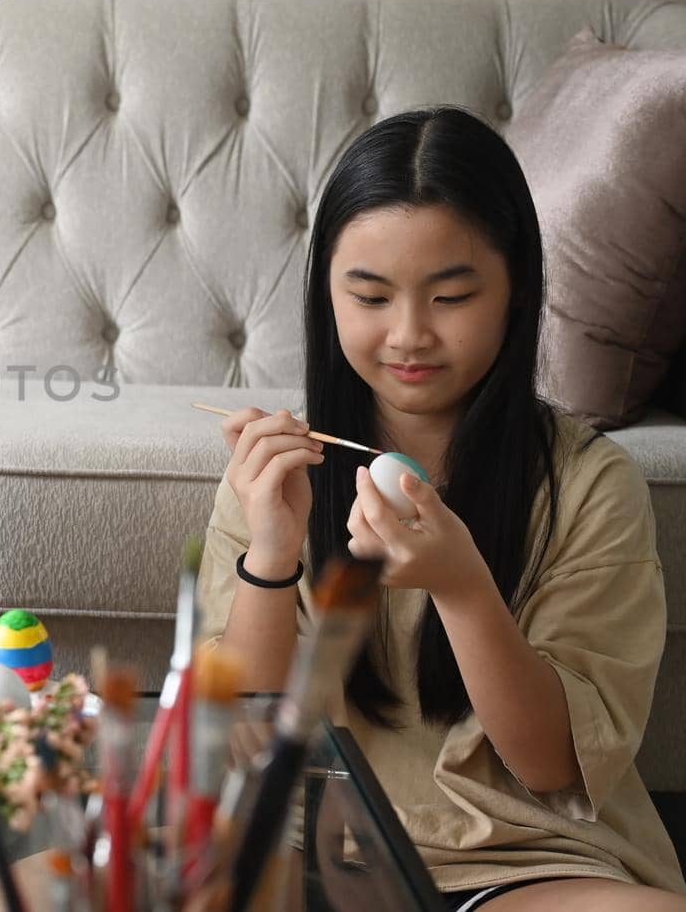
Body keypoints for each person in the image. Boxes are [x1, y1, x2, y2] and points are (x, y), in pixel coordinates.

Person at [200, 108, 685, 909]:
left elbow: (551, 766)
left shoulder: (591, 484)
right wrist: (272, 552)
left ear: (515, 291)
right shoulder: (279, 472)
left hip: (513, 859)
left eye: (451, 295)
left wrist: (463, 588)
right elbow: (240, 745)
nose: (408, 334)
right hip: (297, 846)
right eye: (370, 295)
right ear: (328, 294)